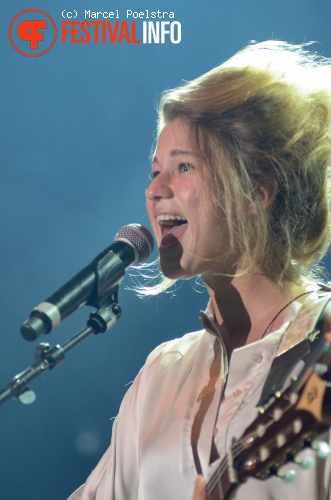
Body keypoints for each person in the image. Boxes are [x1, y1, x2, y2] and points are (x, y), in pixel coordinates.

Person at [69, 41, 331, 499]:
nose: (154, 191)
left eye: (182, 166)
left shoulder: (322, 350)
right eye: (154, 171)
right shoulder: (163, 376)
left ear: (257, 192)